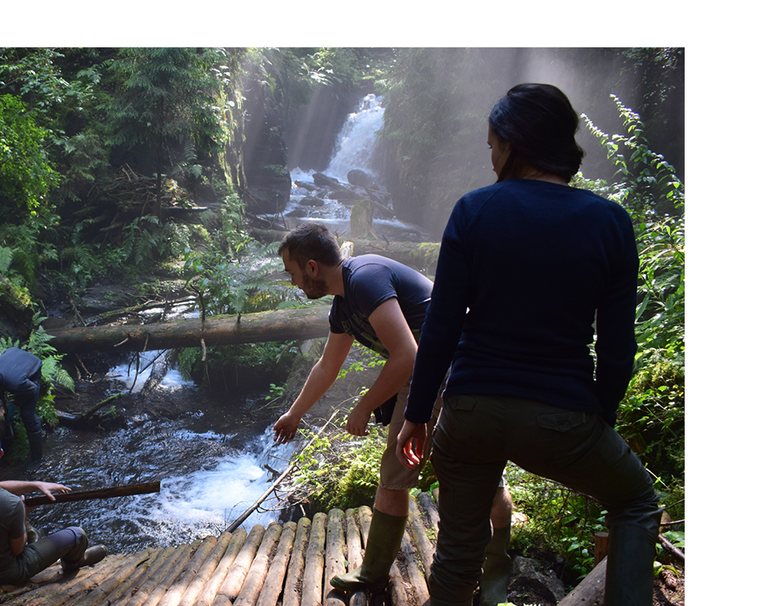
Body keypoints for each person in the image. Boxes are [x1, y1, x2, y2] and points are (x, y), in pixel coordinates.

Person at [396, 83, 662, 606]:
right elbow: (616, 346)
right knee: (635, 503)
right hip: (562, 415)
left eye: (494, 145)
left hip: (470, 410)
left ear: (515, 144)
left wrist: (418, 415)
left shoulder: (473, 211)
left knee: (456, 557)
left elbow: (443, 326)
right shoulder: (610, 222)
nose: (491, 158)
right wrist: (597, 418)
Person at [273, 223, 513, 597]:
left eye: (293, 274)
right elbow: (328, 365)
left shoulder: (365, 278)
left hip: (463, 365)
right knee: (395, 472)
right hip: (426, 370)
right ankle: (373, 571)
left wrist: (364, 406)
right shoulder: (344, 304)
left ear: (312, 267)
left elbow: (407, 355)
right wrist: (295, 414)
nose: (294, 284)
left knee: (479, 476)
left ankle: (496, 563)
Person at [0, 427, 107, 586]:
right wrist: (23, 515)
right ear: (0, 454)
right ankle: (76, 562)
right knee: (77, 534)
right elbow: (18, 550)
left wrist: (35, 485)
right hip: (4, 574)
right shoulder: (11, 505)